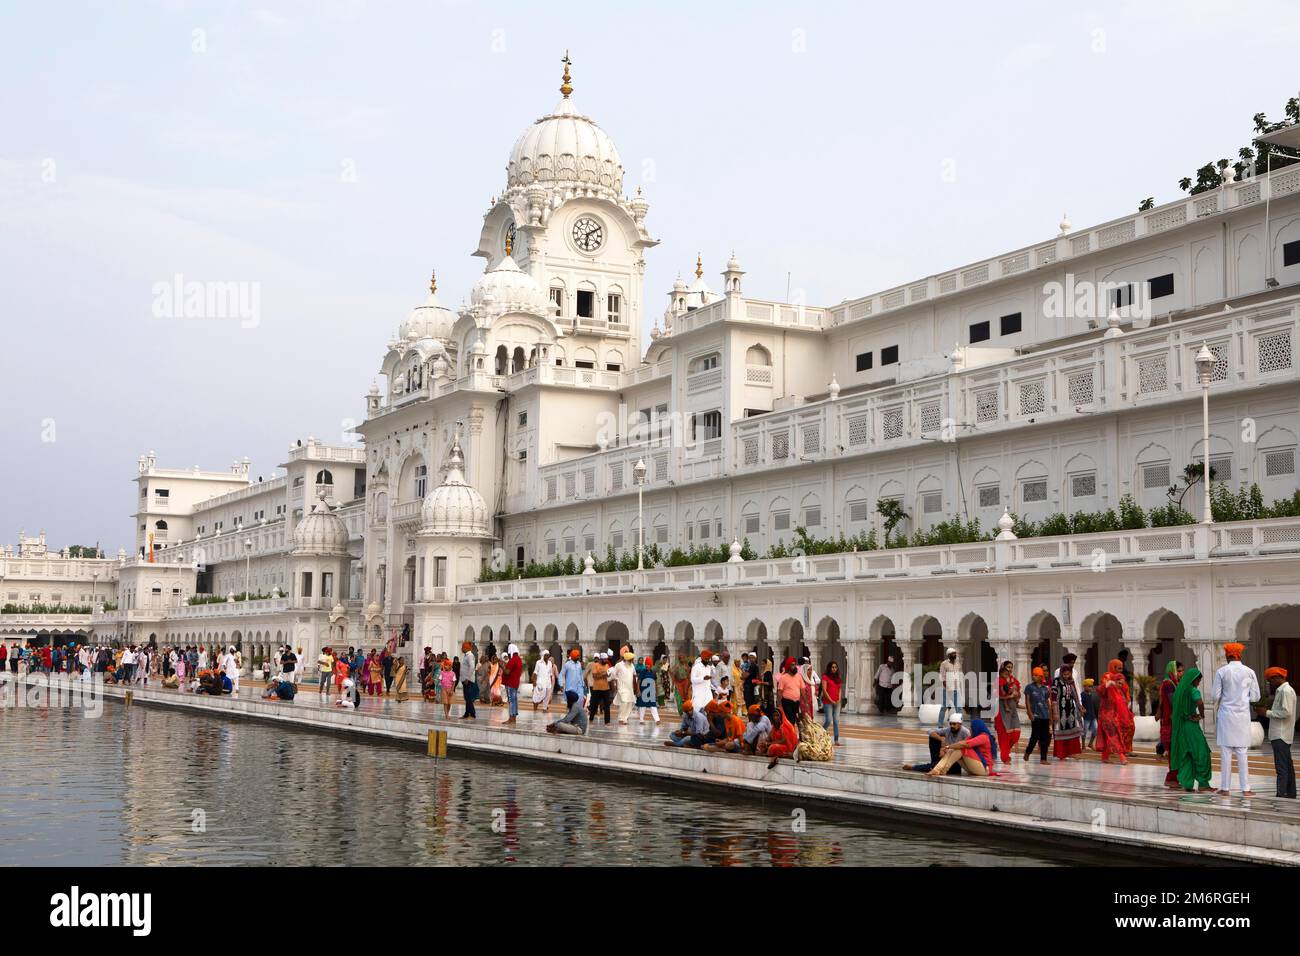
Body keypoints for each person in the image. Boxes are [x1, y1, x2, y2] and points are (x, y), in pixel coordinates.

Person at [1210, 642, 1260, 795]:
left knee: (1226, 752)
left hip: (1226, 715)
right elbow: (1256, 697)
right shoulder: (1250, 672)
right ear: (1240, 655)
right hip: (1242, 716)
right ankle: (1246, 789)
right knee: (1242, 752)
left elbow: (1215, 695)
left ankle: (1225, 788)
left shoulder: (1222, 672)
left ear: (1228, 655)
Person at [1169, 666, 1212, 792]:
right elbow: (1199, 702)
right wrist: (1202, 714)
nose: (1198, 683)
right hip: (1191, 727)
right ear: (1193, 680)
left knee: (1187, 754)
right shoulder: (1193, 690)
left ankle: (1187, 783)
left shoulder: (1180, 690)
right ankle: (1203, 783)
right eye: (1198, 680)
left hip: (1182, 726)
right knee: (1201, 752)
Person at [1259, 667, 1296, 799]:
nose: (1270, 684)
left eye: (1270, 681)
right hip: (1282, 733)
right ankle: (1290, 793)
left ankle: (1282, 793)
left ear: (1276, 677)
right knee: (1287, 765)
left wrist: (1266, 713)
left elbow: (1286, 713)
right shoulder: (1284, 690)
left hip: (1281, 734)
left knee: (1281, 766)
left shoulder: (1285, 691)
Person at [927, 715, 997, 777]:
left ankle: (943, 770)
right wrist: (946, 748)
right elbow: (960, 743)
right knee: (956, 748)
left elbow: (964, 744)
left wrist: (947, 747)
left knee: (961, 748)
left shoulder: (984, 737)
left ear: (977, 727)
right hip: (975, 768)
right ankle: (937, 769)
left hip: (985, 770)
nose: (971, 729)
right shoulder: (972, 737)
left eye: (972, 727)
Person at [1096, 659, 1134, 765]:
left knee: (1110, 735)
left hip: (1115, 714)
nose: (1120, 671)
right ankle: (1122, 756)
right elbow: (1100, 690)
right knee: (1113, 735)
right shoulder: (1108, 680)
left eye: (1121, 669)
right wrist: (1108, 684)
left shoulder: (1119, 688)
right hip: (1107, 714)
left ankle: (1105, 756)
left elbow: (1125, 697)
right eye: (1118, 668)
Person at [905, 713, 970, 774]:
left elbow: (965, 748)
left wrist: (945, 749)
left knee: (935, 766)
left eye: (954, 724)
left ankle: (915, 767)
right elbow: (930, 731)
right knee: (933, 737)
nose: (952, 726)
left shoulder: (965, 733)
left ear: (960, 724)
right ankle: (934, 763)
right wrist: (941, 740)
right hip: (947, 754)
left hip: (956, 760)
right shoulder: (949, 730)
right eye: (950, 724)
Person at [1050, 661, 1085, 759]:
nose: (1066, 676)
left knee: (1072, 731)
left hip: (1071, 710)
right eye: (1064, 674)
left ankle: (1072, 752)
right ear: (1061, 673)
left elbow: (1075, 696)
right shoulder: (1056, 681)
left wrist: (1080, 707)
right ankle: (1062, 753)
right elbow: (1053, 698)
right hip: (1060, 710)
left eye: (1068, 674)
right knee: (1060, 730)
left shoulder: (1071, 682)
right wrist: (1055, 712)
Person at [1157, 661, 1183, 786]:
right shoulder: (1168, 684)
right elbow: (1174, 702)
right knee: (1174, 750)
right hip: (1171, 721)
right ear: (1172, 671)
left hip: (1172, 720)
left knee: (1175, 750)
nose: (1181, 673)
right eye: (1178, 671)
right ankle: (1171, 778)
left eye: (1182, 671)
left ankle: (1175, 778)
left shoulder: (1174, 683)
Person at [1022, 667, 1052, 762]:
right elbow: (1027, 701)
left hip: (1045, 716)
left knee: (1045, 737)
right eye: (1033, 675)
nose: (1033, 677)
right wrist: (1029, 713)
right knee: (1035, 736)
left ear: (1041, 677)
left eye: (1036, 675)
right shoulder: (1029, 687)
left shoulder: (1045, 689)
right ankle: (1028, 752)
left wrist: (1050, 715)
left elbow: (1048, 702)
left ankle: (1043, 759)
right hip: (1035, 715)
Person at [994, 661, 1022, 762]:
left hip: (1013, 710)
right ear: (1003, 669)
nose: (1010, 669)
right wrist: (1010, 695)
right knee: (1004, 736)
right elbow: (997, 696)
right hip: (1002, 711)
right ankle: (1005, 757)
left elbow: (1018, 693)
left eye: (1011, 667)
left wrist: (1017, 695)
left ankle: (1005, 751)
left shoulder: (1014, 680)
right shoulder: (999, 681)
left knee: (1016, 734)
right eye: (1008, 667)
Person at [937, 647, 962, 728]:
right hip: (947, 689)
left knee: (959, 708)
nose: (955, 655)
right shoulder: (944, 664)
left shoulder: (958, 663)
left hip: (956, 689)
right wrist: (946, 686)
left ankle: (959, 723)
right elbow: (942, 676)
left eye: (955, 653)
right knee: (944, 707)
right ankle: (940, 724)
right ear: (948, 655)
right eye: (953, 653)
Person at [611, 650, 637, 725]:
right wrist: (616, 682)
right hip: (622, 687)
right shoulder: (619, 665)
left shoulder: (632, 666)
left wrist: (635, 687)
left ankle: (625, 718)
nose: (632, 660)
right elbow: (613, 674)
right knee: (624, 702)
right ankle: (621, 718)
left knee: (630, 703)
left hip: (630, 688)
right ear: (627, 659)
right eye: (631, 659)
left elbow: (634, 675)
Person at [820, 661, 843, 746]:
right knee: (828, 720)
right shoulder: (825, 677)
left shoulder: (838, 678)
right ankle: (820, 735)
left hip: (837, 703)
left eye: (835, 667)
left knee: (836, 721)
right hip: (828, 702)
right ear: (829, 668)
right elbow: (824, 691)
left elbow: (840, 690)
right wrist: (831, 700)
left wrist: (838, 700)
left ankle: (836, 739)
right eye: (832, 667)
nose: (834, 669)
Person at [775, 656, 802, 726]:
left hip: (796, 702)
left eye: (795, 664)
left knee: (797, 720)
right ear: (788, 666)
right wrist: (779, 704)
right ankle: (791, 735)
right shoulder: (783, 678)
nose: (794, 666)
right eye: (792, 665)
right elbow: (779, 692)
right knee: (791, 720)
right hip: (787, 702)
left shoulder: (799, 676)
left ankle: (792, 735)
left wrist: (805, 702)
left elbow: (802, 690)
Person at [635, 656, 661, 724]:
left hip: (651, 692)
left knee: (653, 706)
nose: (647, 665)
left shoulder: (653, 672)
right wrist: (638, 690)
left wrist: (656, 692)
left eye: (648, 664)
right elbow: (638, 681)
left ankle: (657, 720)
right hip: (643, 692)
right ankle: (641, 720)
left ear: (651, 665)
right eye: (646, 664)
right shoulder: (642, 672)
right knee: (642, 706)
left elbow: (655, 682)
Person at [588, 653, 612, 724]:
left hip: (606, 688)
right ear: (601, 659)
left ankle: (607, 722)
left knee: (607, 706)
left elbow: (608, 675)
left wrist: (608, 675)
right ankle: (591, 719)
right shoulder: (595, 665)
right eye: (604, 659)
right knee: (594, 705)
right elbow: (595, 676)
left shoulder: (607, 665)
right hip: (597, 688)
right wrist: (604, 674)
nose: (606, 660)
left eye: (606, 659)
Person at [502, 644, 523, 725]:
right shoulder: (519, 660)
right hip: (515, 683)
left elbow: (507, 672)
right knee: (514, 701)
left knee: (511, 701)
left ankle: (511, 718)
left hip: (510, 683)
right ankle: (513, 718)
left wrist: (502, 666)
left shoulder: (513, 660)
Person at [532, 650, 557, 715]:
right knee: (538, 696)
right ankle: (535, 707)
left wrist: (551, 682)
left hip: (548, 683)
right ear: (543, 655)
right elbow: (535, 672)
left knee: (547, 696)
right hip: (540, 682)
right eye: (546, 655)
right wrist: (534, 681)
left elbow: (551, 674)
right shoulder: (538, 662)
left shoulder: (550, 663)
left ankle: (544, 708)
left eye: (548, 655)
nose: (547, 656)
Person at [459, 642, 478, 720]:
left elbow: (472, 667)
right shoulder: (466, 655)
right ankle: (467, 713)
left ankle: (472, 714)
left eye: (462, 647)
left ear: (466, 648)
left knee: (468, 697)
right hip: (465, 679)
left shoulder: (470, 656)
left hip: (468, 680)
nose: (461, 649)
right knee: (467, 697)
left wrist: (467, 678)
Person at [1081, 678, 1099, 751]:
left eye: (1091, 686)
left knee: (1095, 730)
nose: (1090, 688)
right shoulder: (1082, 694)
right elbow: (1079, 703)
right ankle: (1083, 745)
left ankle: (1090, 743)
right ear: (1084, 686)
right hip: (1086, 716)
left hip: (1092, 715)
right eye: (1088, 686)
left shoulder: (1092, 695)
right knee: (1084, 731)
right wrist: (1082, 709)